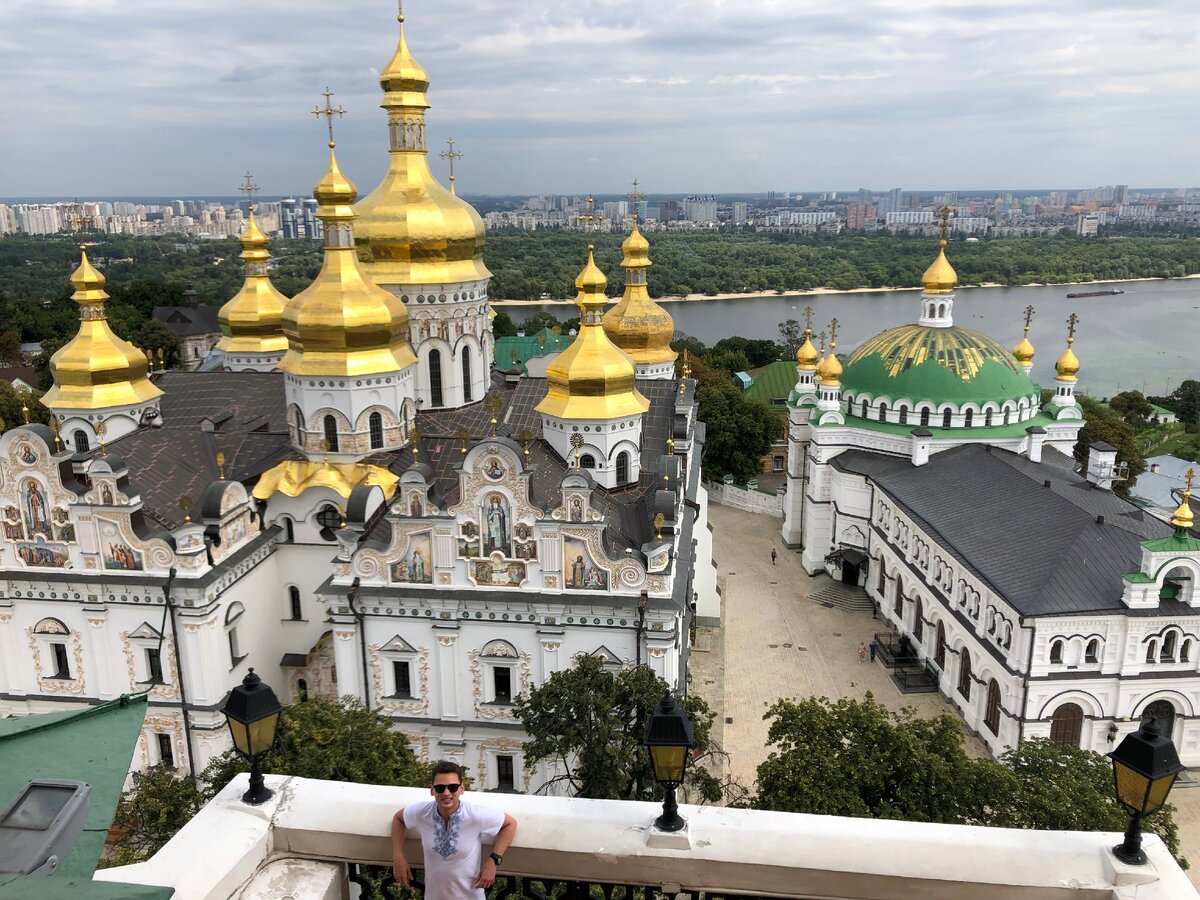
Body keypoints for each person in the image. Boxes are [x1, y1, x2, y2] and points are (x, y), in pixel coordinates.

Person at [392, 761, 518, 900]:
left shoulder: (474, 814)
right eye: (440, 788)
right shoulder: (422, 812)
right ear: (432, 790)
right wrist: (398, 857)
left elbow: (510, 824)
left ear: (462, 788)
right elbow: (398, 819)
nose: (446, 793)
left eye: (452, 787)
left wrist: (493, 861)